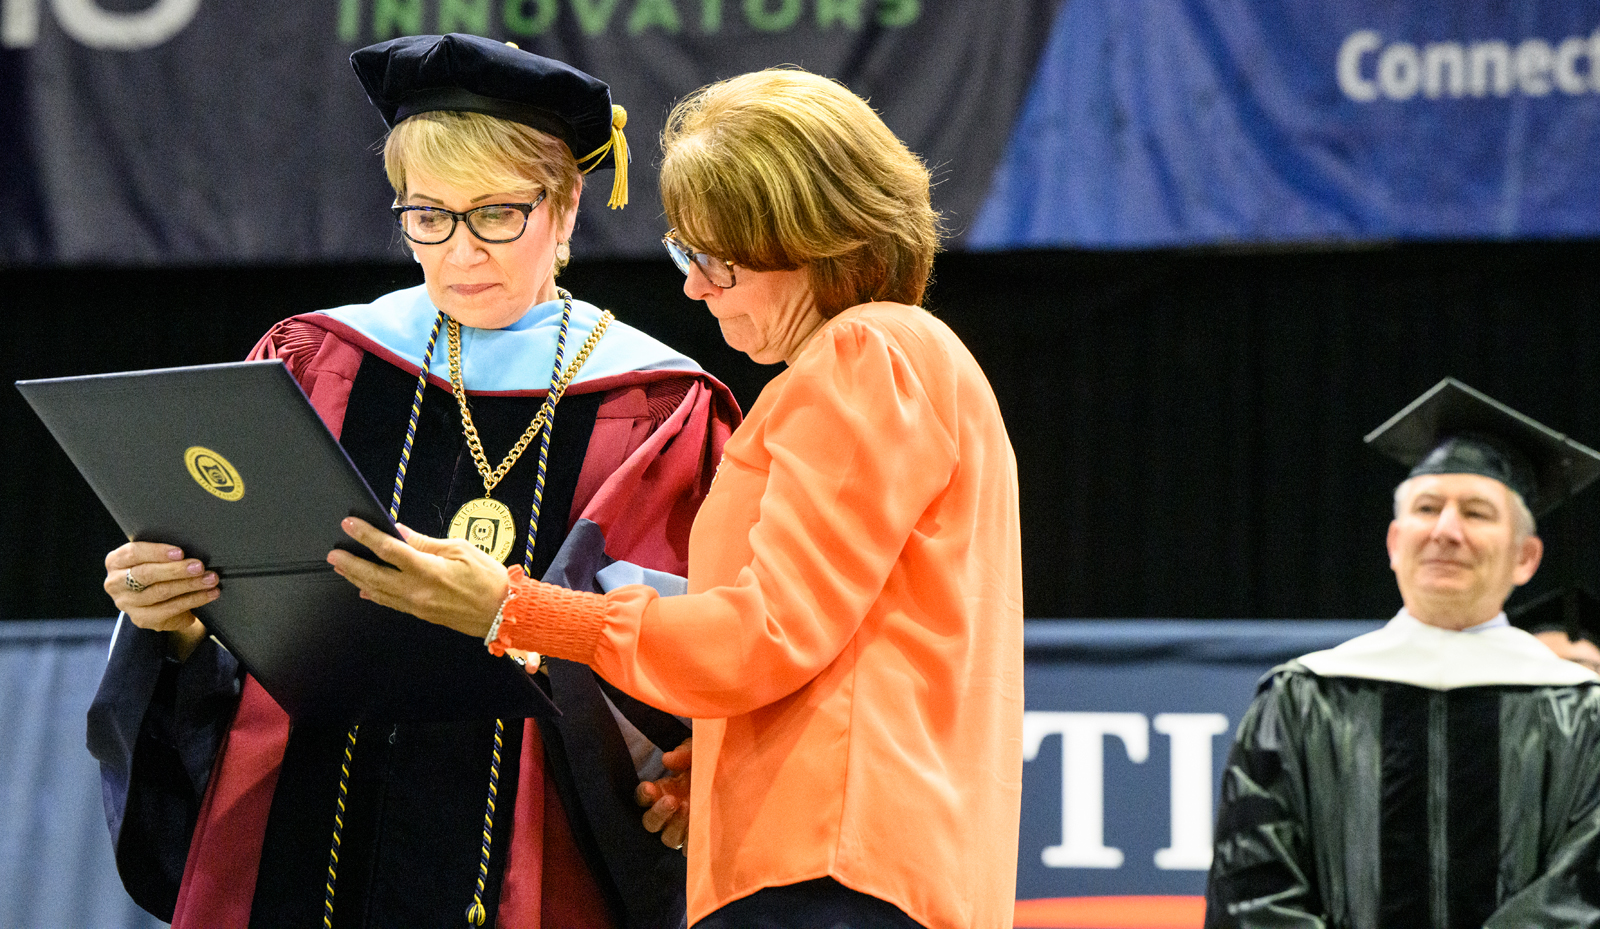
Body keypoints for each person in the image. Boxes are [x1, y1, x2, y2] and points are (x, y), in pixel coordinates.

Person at [330, 68, 1025, 929]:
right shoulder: (911, 362)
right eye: (685, 255)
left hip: (830, 877)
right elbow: (851, 645)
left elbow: (764, 633)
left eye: (716, 260)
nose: (694, 287)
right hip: (863, 860)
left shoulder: (862, 356)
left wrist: (513, 609)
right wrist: (730, 759)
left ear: (811, 240)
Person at [87, 34, 738, 929]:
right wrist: (174, 621)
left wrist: (699, 761)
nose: (460, 252)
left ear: (566, 208)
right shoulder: (314, 363)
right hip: (299, 829)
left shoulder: (656, 406)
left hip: (533, 850)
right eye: (428, 215)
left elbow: (688, 649)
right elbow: (239, 631)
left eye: (497, 214)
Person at [1205, 378, 1600, 928]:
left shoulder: (1584, 715)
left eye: (1477, 513)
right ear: (1394, 543)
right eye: (1427, 508)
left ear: (1525, 558)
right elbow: (1252, 891)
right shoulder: (1303, 700)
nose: (1446, 531)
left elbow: (1587, 896)